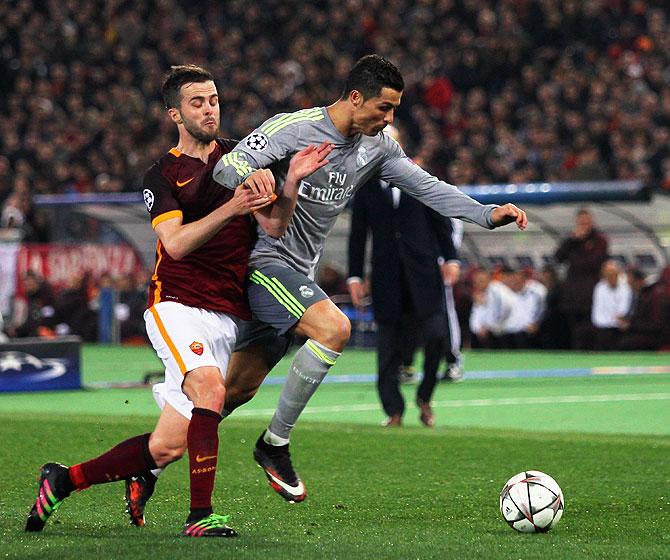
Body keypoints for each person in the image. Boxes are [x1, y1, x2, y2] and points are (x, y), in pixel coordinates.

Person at [130, 54, 527, 515]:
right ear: (355, 98)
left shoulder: (377, 148)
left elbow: (427, 186)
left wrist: (485, 214)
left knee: (228, 397)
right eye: (384, 108)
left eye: (394, 110)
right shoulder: (293, 128)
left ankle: (147, 466)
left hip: (298, 273)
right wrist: (256, 175)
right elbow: (226, 167)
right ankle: (274, 445)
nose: (389, 119)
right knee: (334, 329)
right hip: (264, 265)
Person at [24, 64, 331, 537]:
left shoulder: (243, 157)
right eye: (197, 102)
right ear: (174, 114)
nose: (209, 109)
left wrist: (288, 184)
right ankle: (199, 516)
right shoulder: (163, 173)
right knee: (211, 391)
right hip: (177, 305)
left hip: (227, 315)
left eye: (213, 100)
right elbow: (177, 242)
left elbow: (272, 226)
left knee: (167, 447)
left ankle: (62, 481)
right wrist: (232, 206)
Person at [347, 126, 458, 427]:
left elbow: (441, 219)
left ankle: (425, 395)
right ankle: (393, 411)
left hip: (423, 276)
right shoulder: (365, 184)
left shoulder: (419, 177)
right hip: (386, 278)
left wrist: (451, 258)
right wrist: (355, 277)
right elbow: (358, 236)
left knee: (436, 337)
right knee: (387, 349)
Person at [554, 208, 608, 348]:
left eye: (586, 222)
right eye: (581, 223)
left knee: (590, 327)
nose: (584, 226)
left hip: (591, 292)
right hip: (573, 294)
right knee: (575, 328)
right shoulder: (572, 241)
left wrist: (575, 258)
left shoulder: (600, 240)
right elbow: (558, 257)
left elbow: (594, 262)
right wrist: (573, 241)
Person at [589, 259, 632, 350]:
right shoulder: (599, 288)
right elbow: (597, 311)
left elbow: (623, 310)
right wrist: (604, 324)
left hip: (617, 327)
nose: (611, 276)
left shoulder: (625, 289)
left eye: (613, 274)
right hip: (602, 327)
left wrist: (615, 321)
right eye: (608, 274)